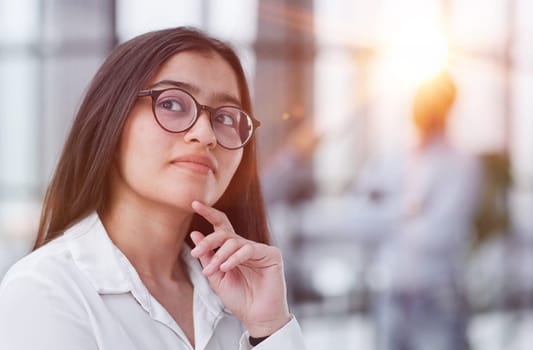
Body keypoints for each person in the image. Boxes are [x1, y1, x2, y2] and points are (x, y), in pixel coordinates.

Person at [0, 27, 305, 350]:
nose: (205, 134)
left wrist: (270, 329)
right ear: (112, 119)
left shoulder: (235, 295)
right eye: (172, 104)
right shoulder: (46, 291)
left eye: (226, 118)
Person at [356, 71, 482, 350]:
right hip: (391, 295)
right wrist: (411, 209)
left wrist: (388, 211)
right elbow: (360, 220)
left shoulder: (461, 164)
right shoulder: (394, 158)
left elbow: (440, 235)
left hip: (438, 299)